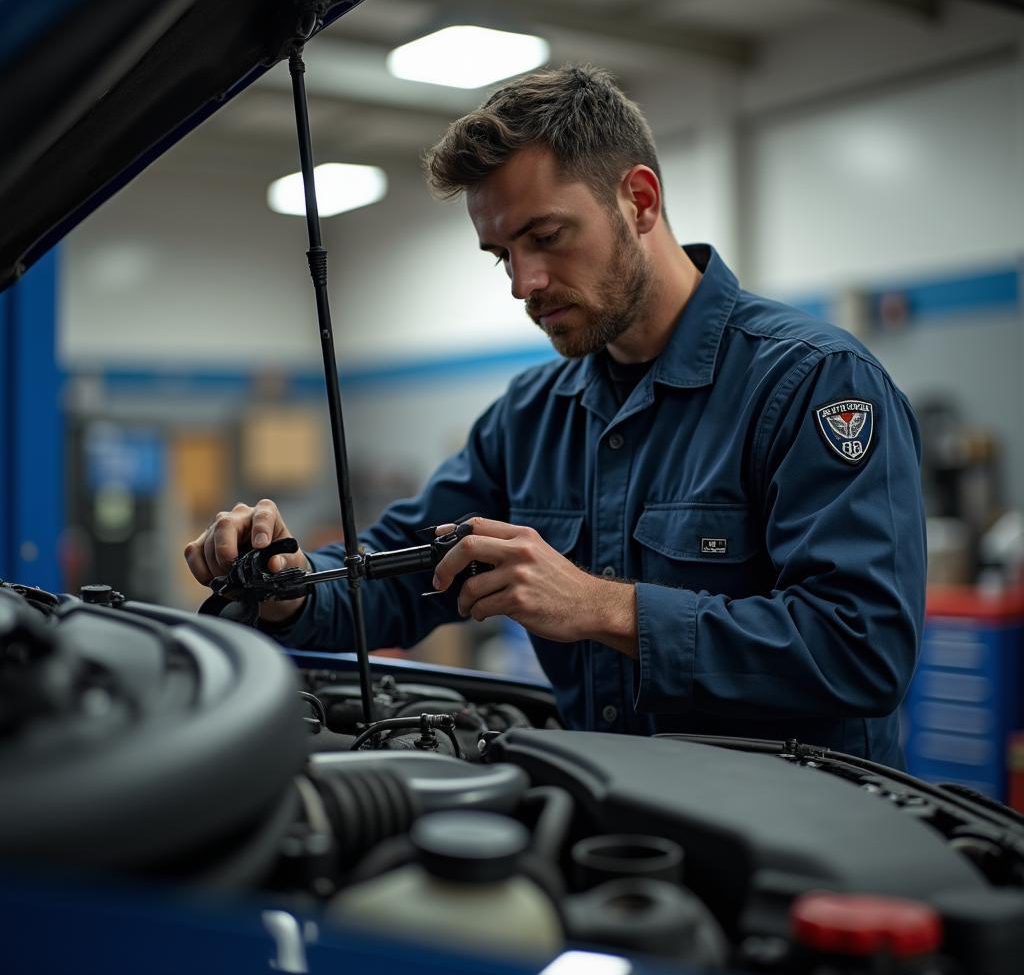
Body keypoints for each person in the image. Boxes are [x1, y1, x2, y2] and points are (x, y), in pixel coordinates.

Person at [185, 65, 925, 767]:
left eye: (545, 237)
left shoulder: (811, 383)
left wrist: (605, 608)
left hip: (800, 857)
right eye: (501, 254)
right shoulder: (532, 416)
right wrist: (285, 584)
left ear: (639, 200)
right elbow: (398, 573)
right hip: (613, 832)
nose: (523, 283)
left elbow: (861, 650)